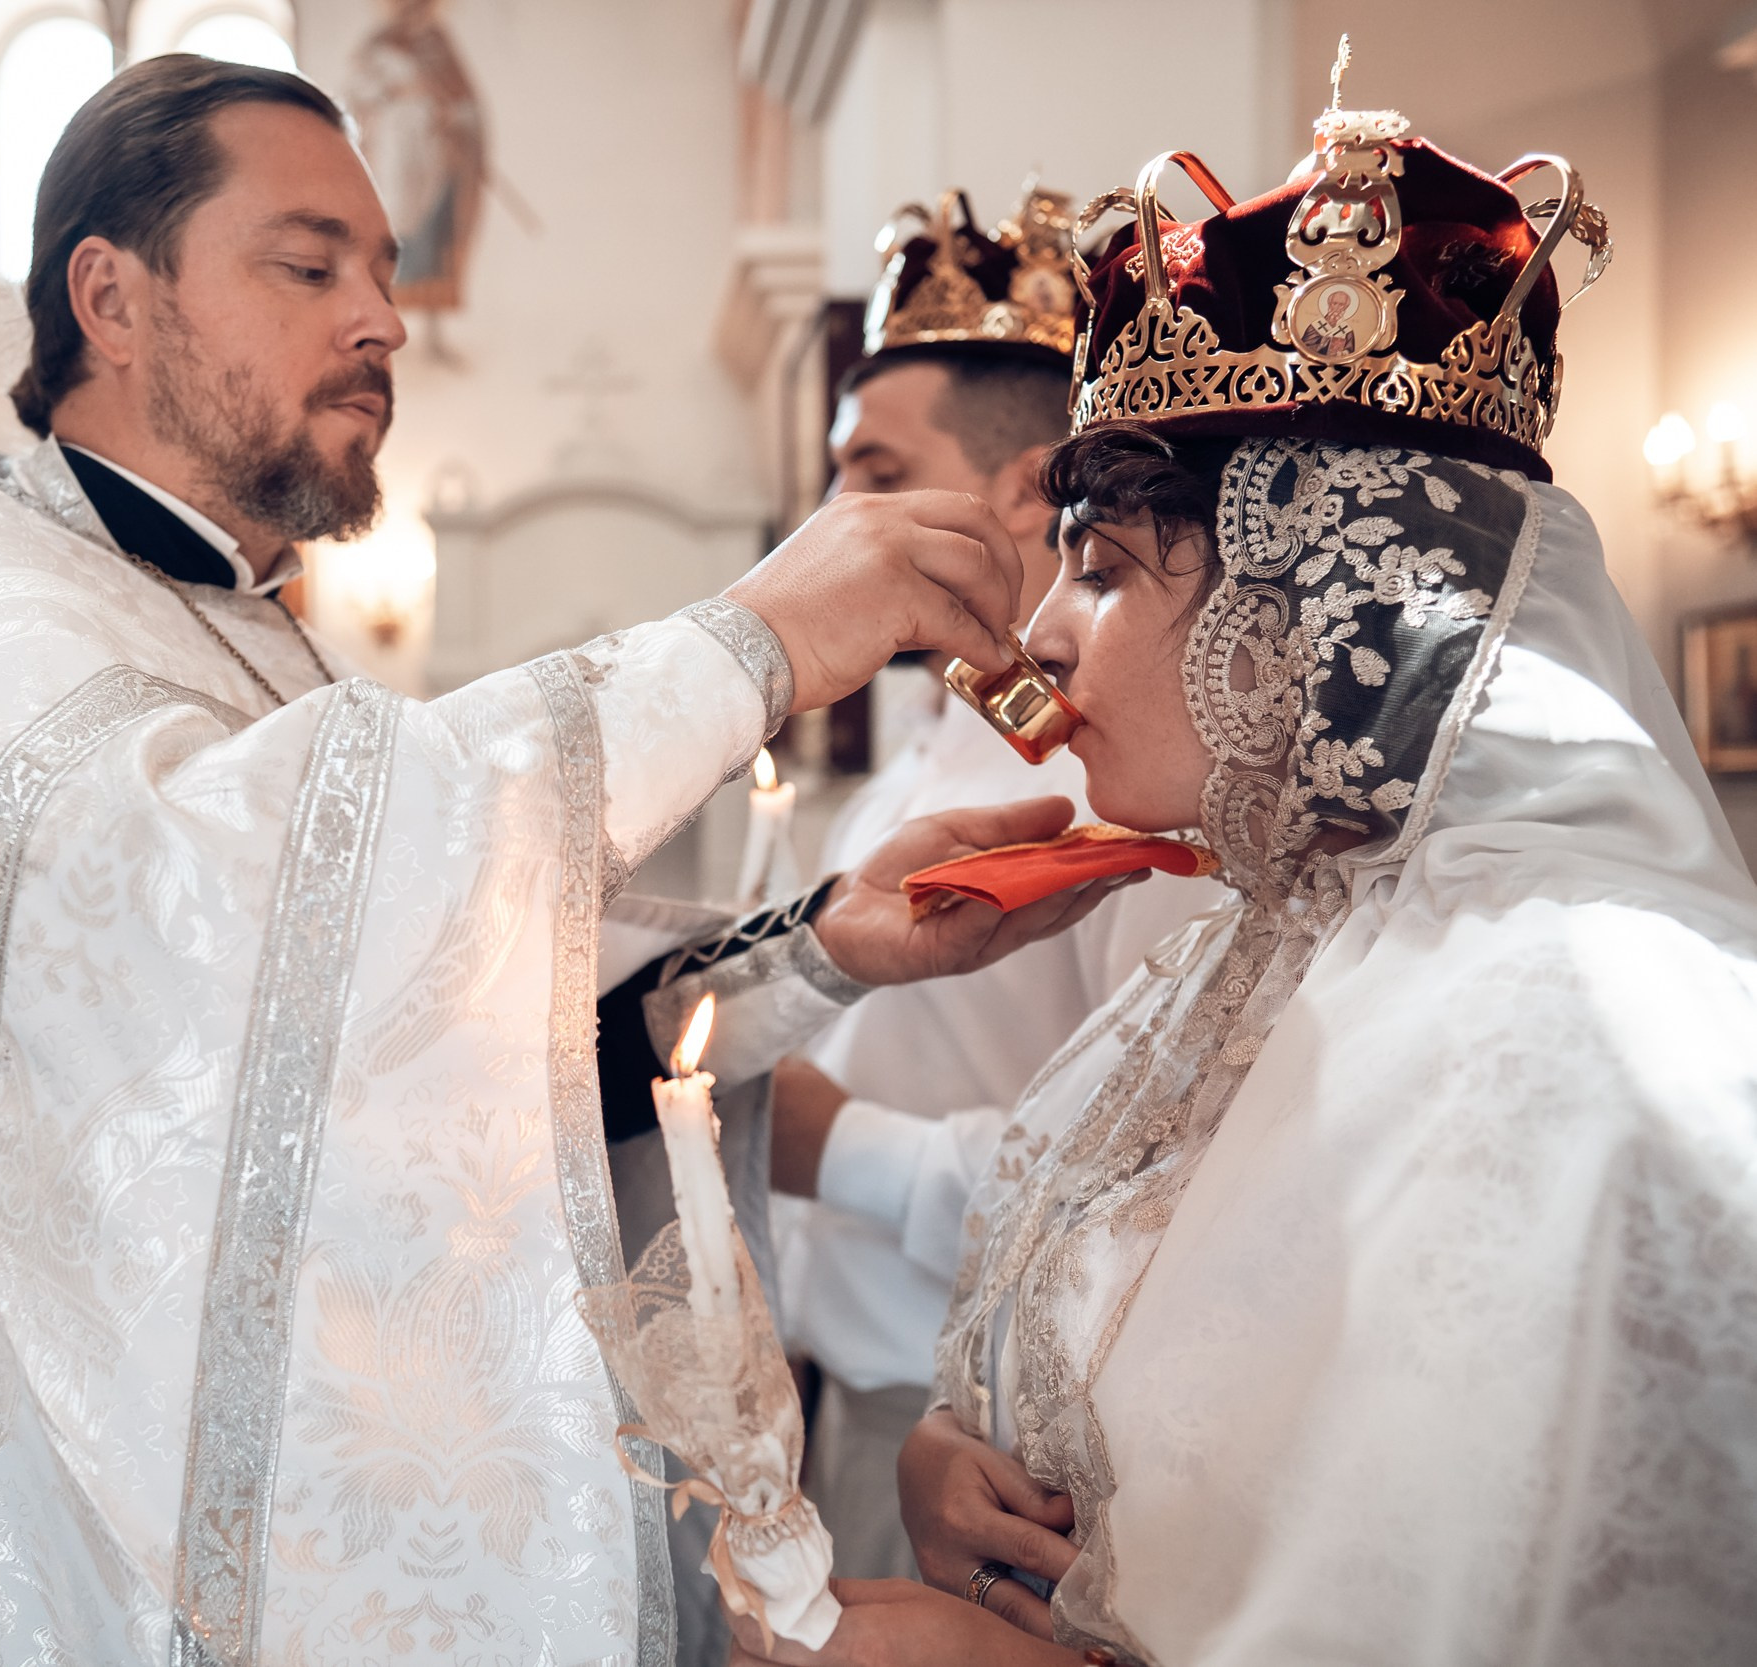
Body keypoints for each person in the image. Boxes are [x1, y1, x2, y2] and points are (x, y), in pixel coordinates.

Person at [0, 56, 1132, 1667]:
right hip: (35, 1540)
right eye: (310, 266)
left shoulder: (217, 621)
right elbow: (232, 906)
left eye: (382, 267)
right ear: (112, 297)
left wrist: (818, 943)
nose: (384, 319)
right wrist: (751, 643)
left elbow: (397, 996)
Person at [729, 82, 1757, 1667]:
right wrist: (953, 1456)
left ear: (1312, 598)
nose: (1046, 630)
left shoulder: (1589, 1029)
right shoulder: (1251, 942)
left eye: (1103, 569)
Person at [759, 187, 1222, 1588]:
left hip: (1008, 1429)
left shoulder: (1138, 764)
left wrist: (832, 1145)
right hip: (870, 1385)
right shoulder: (927, 731)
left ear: (1026, 490)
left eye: (872, 468)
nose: (829, 517)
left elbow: (1167, 1166)